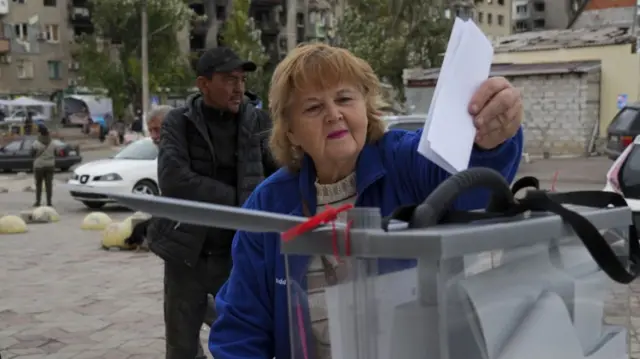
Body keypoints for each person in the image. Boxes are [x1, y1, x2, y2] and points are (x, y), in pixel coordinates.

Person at [209, 43, 524, 358]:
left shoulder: (403, 161)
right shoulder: (270, 203)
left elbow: (467, 181)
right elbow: (240, 328)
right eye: (313, 107)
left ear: (366, 107)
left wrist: (492, 138)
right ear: (291, 132)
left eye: (344, 99)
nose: (333, 115)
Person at [150, 46, 279, 359]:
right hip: (187, 253)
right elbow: (174, 180)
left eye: (241, 79)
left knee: (244, 339)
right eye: (228, 79)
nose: (238, 87)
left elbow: (278, 176)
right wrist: (241, 201)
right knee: (180, 346)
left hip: (239, 251)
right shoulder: (178, 122)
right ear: (203, 84)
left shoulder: (260, 121)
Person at [31, 125, 58, 207]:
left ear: (40, 133)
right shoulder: (53, 143)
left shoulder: (36, 143)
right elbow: (56, 153)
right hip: (50, 165)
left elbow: (32, 154)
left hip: (39, 166)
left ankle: (38, 202)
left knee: (38, 184)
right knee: (49, 185)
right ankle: (49, 202)